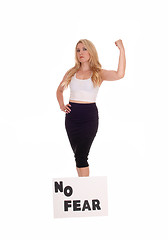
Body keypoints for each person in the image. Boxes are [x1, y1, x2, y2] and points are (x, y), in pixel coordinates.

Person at [56, 39, 126, 177]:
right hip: (72, 118)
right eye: (78, 50)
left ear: (91, 52)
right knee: (78, 155)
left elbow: (119, 74)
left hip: (88, 118)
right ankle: (83, 187)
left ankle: (85, 189)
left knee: (82, 154)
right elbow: (59, 91)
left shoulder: (98, 73)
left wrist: (122, 50)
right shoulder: (71, 72)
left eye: (84, 49)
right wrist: (62, 105)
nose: (81, 53)